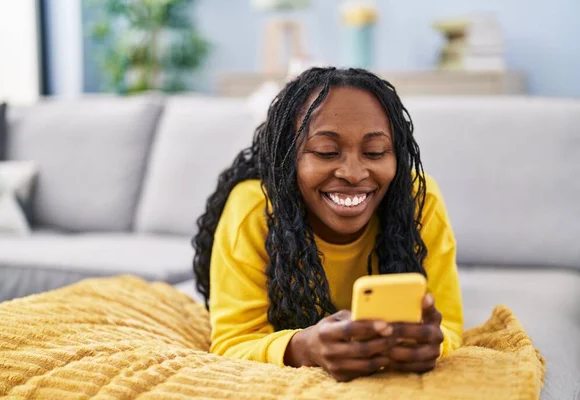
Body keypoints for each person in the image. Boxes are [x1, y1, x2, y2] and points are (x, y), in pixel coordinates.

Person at [192, 67, 463, 382]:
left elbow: (451, 328)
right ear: (288, 157)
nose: (352, 172)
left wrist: (432, 343)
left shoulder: (419, 203)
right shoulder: (254, 210)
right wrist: (304, 347)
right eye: (326, 152)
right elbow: (232, 342)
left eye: (375, 152)